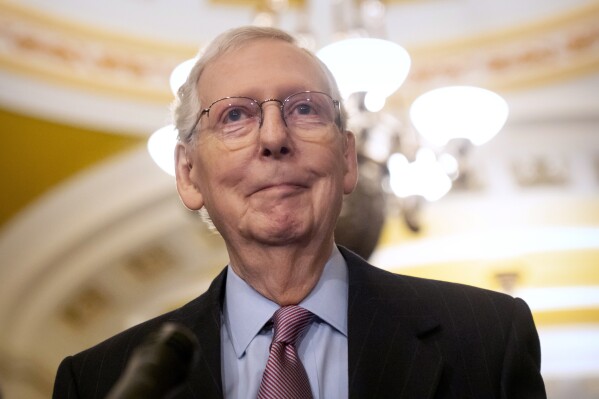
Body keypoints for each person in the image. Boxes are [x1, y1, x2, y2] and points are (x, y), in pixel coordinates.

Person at [53, 26, 546, 398]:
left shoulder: (487, 339)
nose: (273, 138)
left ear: (348, 158)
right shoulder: (100, 380)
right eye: (235, 115)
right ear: (188, 174)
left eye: (304, 109)